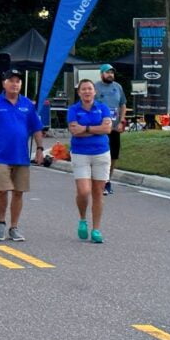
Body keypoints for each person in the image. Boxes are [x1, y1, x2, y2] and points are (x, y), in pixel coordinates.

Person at [0, 69, 45, 242]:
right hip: (1, 156)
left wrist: (40, 149)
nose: (15, 84)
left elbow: (37, 128)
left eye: (18, 81)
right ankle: (1, 222)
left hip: (21, 156)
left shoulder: (27, 105)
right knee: (2, 190)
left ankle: (13, 227)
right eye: (11, 80)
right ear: (4, 83)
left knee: (18, 192)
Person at [66, 79, 115, 244]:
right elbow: (74, 131)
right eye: (83, 89)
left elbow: (107, 129)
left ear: (94, 92)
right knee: (84, 191)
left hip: (101, 153)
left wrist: (86, 128)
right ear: (79, 92)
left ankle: (96, 229)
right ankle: (82, 219)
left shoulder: (103, 107)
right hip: (81, 153)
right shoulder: (74, 109)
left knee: (98, 192)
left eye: (90, 89)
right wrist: (97, 130)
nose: (87, 92)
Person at [94, 64, 127, 195]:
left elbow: (123, 104)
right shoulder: (95, 87)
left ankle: (107, 181)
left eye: (112, 73)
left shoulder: (118, 87)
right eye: (107, 73)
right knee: (100, 156)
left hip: (114, 127)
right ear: (101, 74)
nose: (110, 75)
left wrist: (122, 121)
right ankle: (98, 181)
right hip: (100, 128)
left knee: (113, 156)